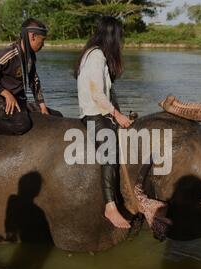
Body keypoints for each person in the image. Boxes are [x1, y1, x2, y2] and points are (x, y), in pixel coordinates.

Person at [74, 16, 132, 229]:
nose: (121, 41)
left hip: (100, 112)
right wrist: (116, 115)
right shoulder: (96, 56)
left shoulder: (93, 54)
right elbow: (97, 94)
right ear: (112, 36)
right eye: (120, 36)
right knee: (110, 152)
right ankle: (110, 207)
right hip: (94, 114)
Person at [0, 18, 61, 137]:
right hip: (3, 103)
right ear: (32, 36)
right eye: (42, 40)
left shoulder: (30, 56)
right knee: (22, 125)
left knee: (57, 115)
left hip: (20, 101)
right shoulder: (9, 54)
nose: (43, 44)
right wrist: (6, 94)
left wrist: (42, 105)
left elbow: (34, 80)